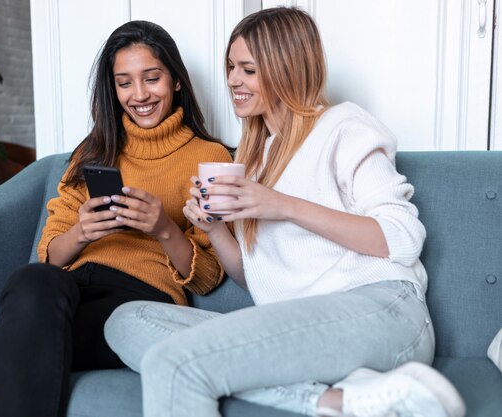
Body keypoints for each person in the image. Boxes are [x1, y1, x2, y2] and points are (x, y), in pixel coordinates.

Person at [104, 7, 466, 417]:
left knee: (174, 361)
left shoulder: (343, 126)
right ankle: (336, 401)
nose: (232, 81)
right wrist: (217, 229)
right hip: (303, 327)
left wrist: (281, 205)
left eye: (248, 70)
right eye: (230, 67)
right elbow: (256, 275)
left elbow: (401, 238)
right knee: (127, 322)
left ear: (286, 69)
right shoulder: (256, 159)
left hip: (381, 312)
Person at [0, 20, 231, 417]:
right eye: (125, 82)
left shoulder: (210, 158)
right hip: (70, 290)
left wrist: (163, 227)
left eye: (152, 78)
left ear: (176, 81)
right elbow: (51, 256)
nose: (140, 94)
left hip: (139, 300)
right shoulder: (94, 150)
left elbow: (208, 276)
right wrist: (82, 232)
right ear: (112, 89)